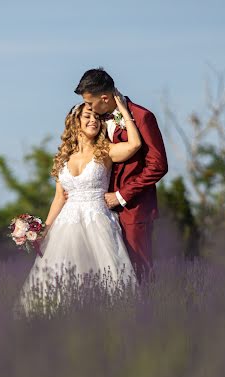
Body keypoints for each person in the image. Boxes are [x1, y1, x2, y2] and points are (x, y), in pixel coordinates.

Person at [15, 94, 142, 316]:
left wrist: (123, 108)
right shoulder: (63, 158)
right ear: (76, 121)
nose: (93, 120)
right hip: (67, 224)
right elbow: (59, 197)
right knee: (59, 283)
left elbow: (135, 144)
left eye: (97, 117)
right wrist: (44, 228)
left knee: (105, 281)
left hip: (97, 221)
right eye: (88, 116)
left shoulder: (105, 151)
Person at [73, 67, 168, 282]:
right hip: (99, 213)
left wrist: (121, 195)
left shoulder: (143, 117)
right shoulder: (94, 121)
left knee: (138, 275)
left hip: (132, 211)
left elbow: (158, 165)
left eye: (89, 103)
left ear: (105, 98)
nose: (87, 108)